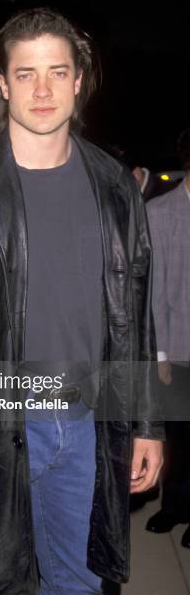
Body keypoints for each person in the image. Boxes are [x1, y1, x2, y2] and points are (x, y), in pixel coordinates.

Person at [0, 8, 163, 594]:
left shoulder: (116, 187)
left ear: (80, 80)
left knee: (80, 582)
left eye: (58, 71)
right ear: (3, 85)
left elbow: (136, 315)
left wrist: (148, 423)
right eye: (26, 74)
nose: (43, 90)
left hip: (89, 420)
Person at [145, 127, 190, 548]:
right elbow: (155, 291)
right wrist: (158, 354)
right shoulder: (160, 213)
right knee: (177, 435)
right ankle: (174, 506)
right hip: (178, 347)